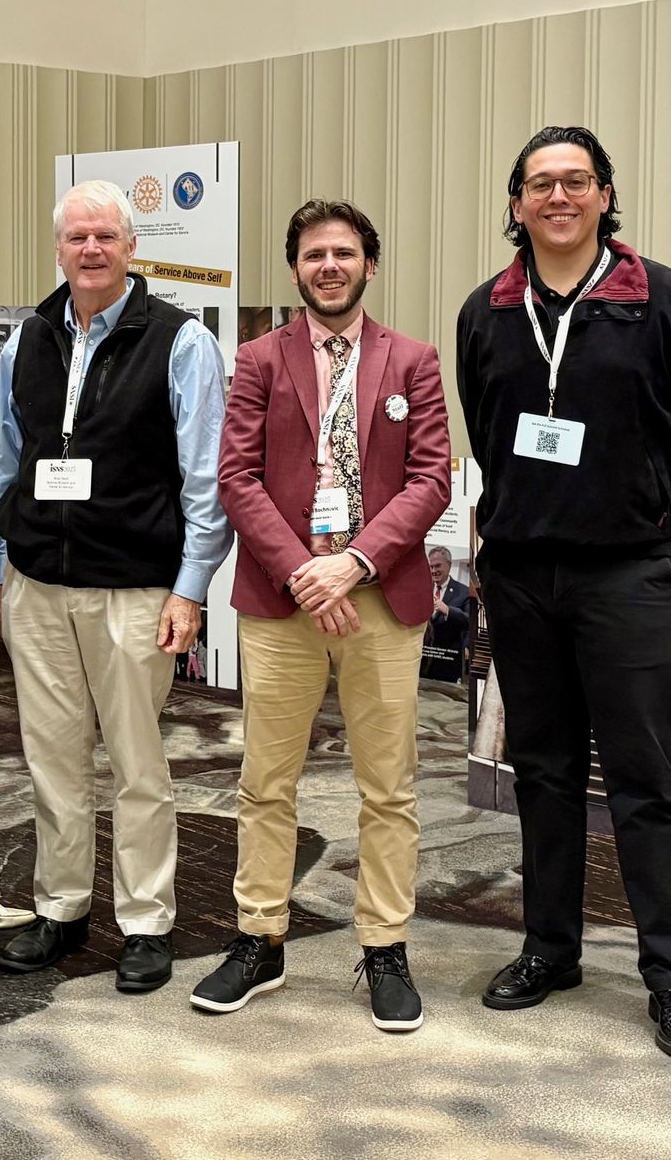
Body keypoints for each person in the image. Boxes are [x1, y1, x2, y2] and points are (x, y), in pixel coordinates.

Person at [458, 125, 671, 1061]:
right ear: (516, 204)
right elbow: (487, 425)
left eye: (576, 180)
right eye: (540, 183)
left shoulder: (667, 301)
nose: (559, 196)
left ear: (605, 195)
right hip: (521, 573)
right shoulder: (486, 310)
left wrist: (649, 494)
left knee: (644, 779)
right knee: (541, 772)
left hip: (628, 571)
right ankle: (551, 949)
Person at [192, 199, 449, 1030]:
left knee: (389, 786)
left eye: (343, 252)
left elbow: (431, 480)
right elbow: (236, 476)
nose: (328, 266)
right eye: (313, 255)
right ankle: (260, 937)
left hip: (381, 597)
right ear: (296, 269)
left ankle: (385, 945)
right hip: (284, 598)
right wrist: (305, 571)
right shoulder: (259, 359)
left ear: (370, 264)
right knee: (265, 781)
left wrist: (353, 563)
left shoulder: (413, 361)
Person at [0, 180, 231, 993]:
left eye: (105, 236)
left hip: (134, 590)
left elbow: (205, 481)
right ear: (58, 247)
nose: (90, 249)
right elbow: (11, 464)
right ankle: (60, 908)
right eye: (76, 237)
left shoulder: (181, 342)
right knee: (52, 759)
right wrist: (5, 569)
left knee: (137, 764)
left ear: (132, 246)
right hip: (38, 586)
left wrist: (190, 589)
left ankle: (146, 920)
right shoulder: (25, 341)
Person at [419, 545, 475, 683]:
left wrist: (447, 610)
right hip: (421, 660)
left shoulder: (464, 592)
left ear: (449, 565)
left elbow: (470, 621)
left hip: (447, 663)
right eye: (431, 567)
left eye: (437, 566)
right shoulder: (422, 588)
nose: (434, 571)